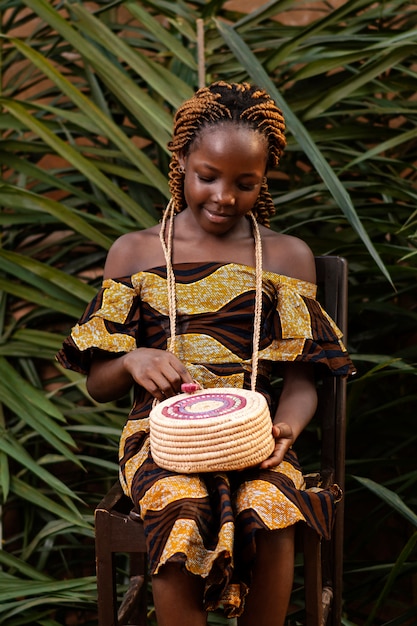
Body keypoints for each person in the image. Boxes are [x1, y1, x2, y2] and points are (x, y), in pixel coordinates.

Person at [57, 81, 355, 626]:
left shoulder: (287, 257)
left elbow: (303, 380)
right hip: (159, 438)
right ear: (181, 163)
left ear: (265, 179)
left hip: (253, 435)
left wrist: (285, 428)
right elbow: (96, 384)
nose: (224, 196)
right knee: (179, 506)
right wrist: (131, 360)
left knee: (271, 505)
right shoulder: (138, 252)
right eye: (207, 177)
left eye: (246, 183)